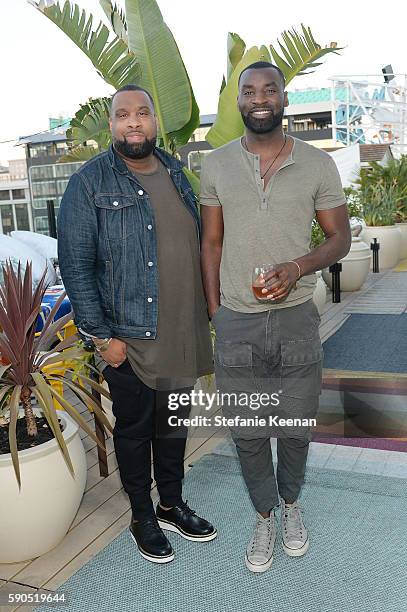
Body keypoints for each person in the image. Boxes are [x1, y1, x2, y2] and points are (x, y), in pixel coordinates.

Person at [200, 61, 351, 573]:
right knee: (246, 430)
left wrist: (298, 266)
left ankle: (291, 506)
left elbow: (339, 238)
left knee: (293, 428)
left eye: (269, 90)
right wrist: (217, 312)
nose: (259, 98)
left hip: (295, 320)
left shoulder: (316, 164)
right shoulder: (215, 163)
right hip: (237, 320)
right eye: (249, 91)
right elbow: (211, 241)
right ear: (238, 100)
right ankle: (263, 516)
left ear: (284, 99)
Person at [58, 84, 217, 564]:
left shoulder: (175, 171)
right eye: (123, 114)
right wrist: (101, 336)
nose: (133, 122)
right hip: (127, 337)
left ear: (154, 121)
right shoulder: (89, 183)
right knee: (134, 429)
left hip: (182, 330)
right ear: (111, 125)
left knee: (172, 426)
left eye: (142, 113)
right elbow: (76, 263)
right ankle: (142, 514)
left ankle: (171, 503)